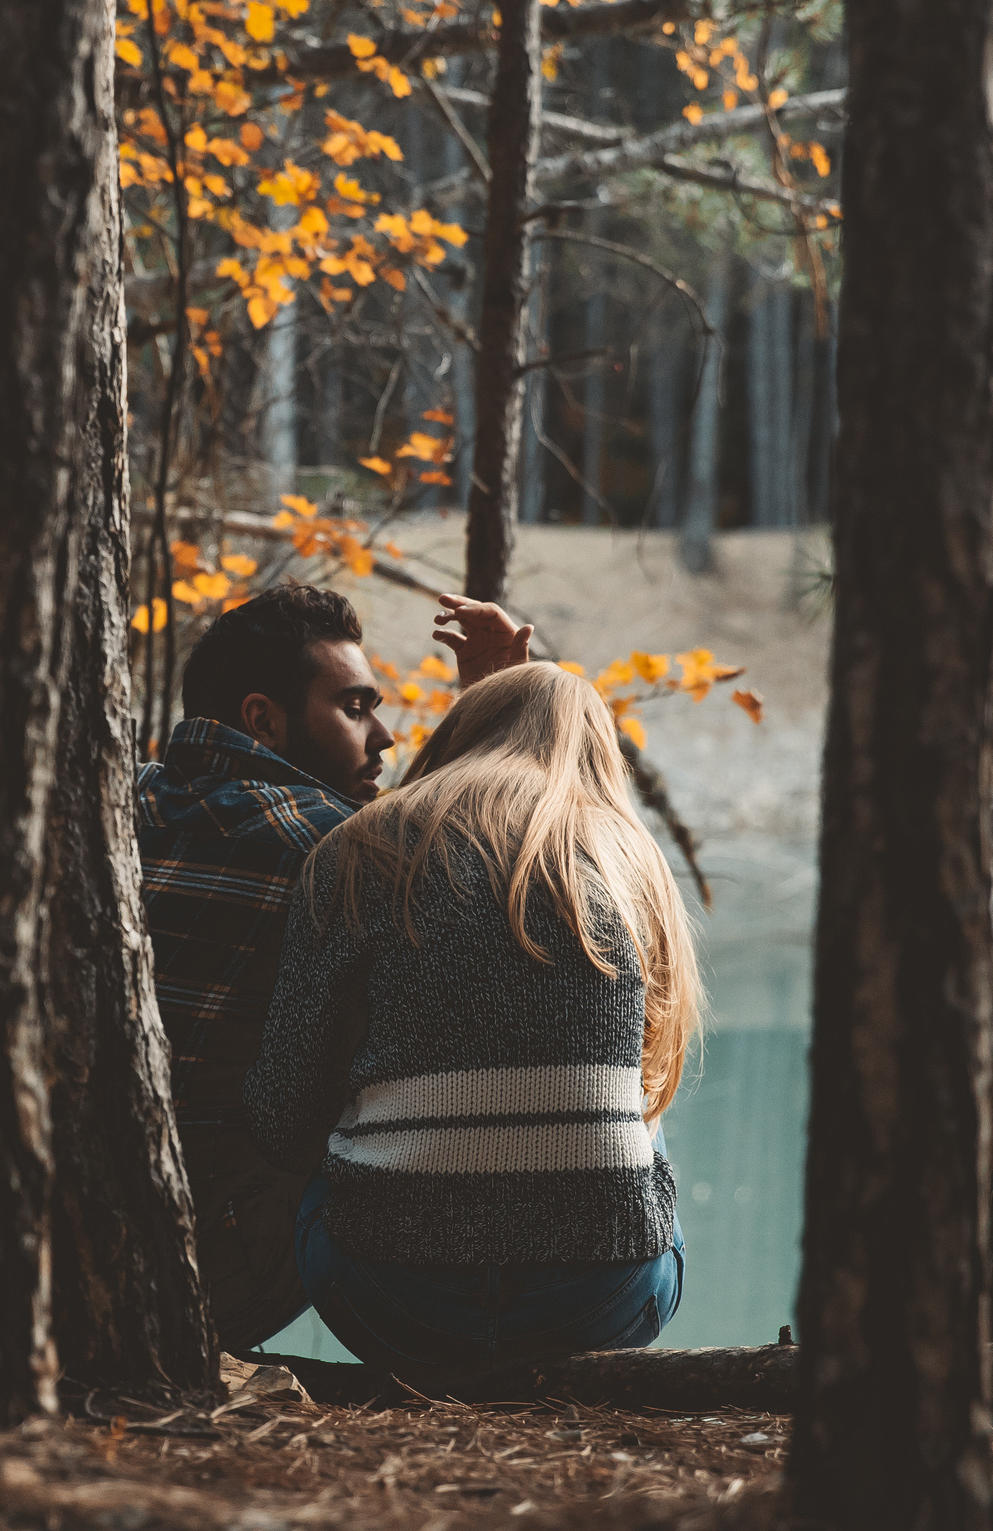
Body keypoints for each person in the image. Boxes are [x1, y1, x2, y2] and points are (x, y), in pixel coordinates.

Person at [246, 660, 703, 1391]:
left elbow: (282, 1117)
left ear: (459, 736)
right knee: (638, 1100)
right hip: (600, 1304)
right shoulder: (632, 862)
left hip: (392, 1300)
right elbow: (654, 1084)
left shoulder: (361, 847)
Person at [136, 581, 530, 1352]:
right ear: (263, 719)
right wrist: (498, 706)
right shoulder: (340, 849)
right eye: (354, 708)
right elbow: (498, 884)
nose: (382, 735)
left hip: (60, 1244)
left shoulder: (127, 802)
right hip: (208, 1272)